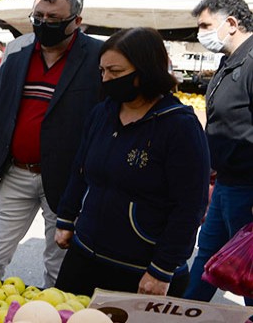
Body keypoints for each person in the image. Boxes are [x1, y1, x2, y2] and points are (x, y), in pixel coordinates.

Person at [53, 27, 210, 297]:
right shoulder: (102, 113)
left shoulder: (179, 126)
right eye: (102, 71)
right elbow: (80, 170)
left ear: (146, 70)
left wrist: (162, 269)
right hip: (84, 255)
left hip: (141, 269)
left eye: (115, 72)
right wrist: (66, 218)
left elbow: (190, 205)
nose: (106, 79)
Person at [0, 0, 103, 287]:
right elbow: (0, 114)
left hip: (69, 179)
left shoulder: (97, 57)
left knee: (60, 264)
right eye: (39, 16)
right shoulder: (17, 55)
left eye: (54, 19)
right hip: (17, 171)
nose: (44, 24)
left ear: (76, 21)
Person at [184, 0, 253, 306]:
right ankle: (184, 312)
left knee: (247, 271)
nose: (201, 34)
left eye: (205, 26)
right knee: (206, 262)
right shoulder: (229, 62)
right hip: (225, 184)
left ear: (231, 23)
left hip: (247, 190)